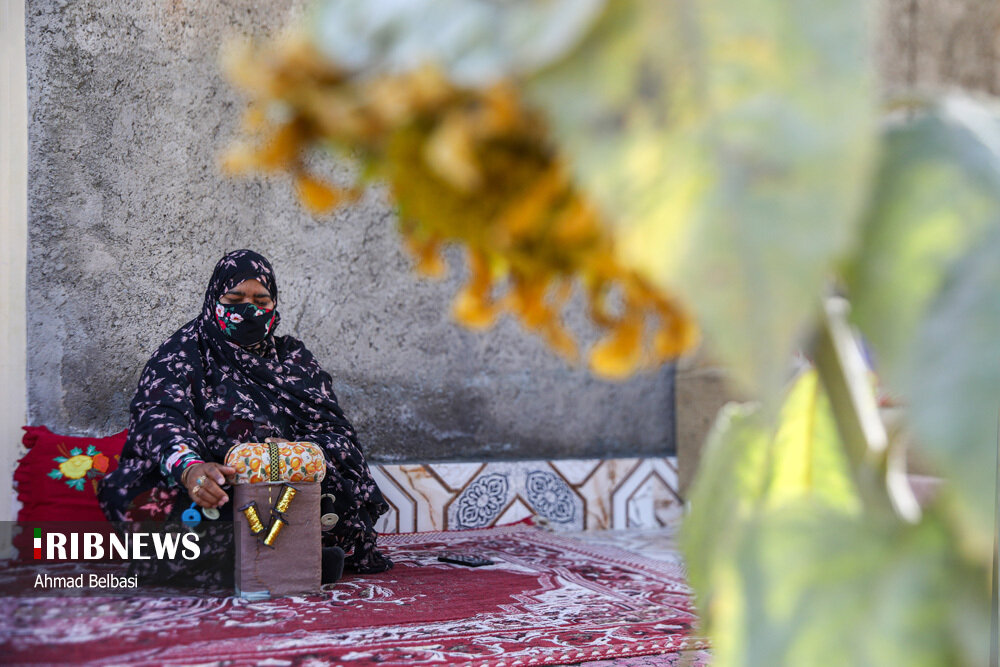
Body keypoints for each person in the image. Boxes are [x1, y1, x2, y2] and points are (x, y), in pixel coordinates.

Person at [98, 249, 393, 584]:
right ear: (214, 299)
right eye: (234, 298)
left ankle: (260, 561)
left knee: (335, 492)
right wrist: (190, 468)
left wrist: (296, 454)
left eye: (261, 300)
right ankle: (294, 561)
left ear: (274, 304)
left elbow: (337, 434)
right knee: (154, 514)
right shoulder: (182, 355)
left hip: (288, 490)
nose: (249, 310)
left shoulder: (293, 360)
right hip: (211, 491)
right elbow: (160, 417)